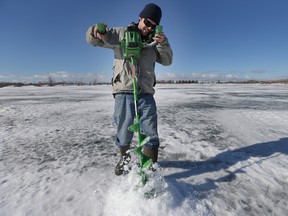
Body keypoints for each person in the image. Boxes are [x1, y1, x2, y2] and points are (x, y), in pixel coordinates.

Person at [86, 3, 173, 175]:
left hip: (146, 92)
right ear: (140, 18)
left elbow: (167, 60)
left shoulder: (156, 41)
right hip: (124, 90)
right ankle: (124, 159)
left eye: (153, 26)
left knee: (150, 132)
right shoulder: (121, 33)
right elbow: (93, 39)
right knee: (124, 129)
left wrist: (162, 43)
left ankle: (149, 171)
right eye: (147, 23)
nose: (149, 28)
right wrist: (95, 31)